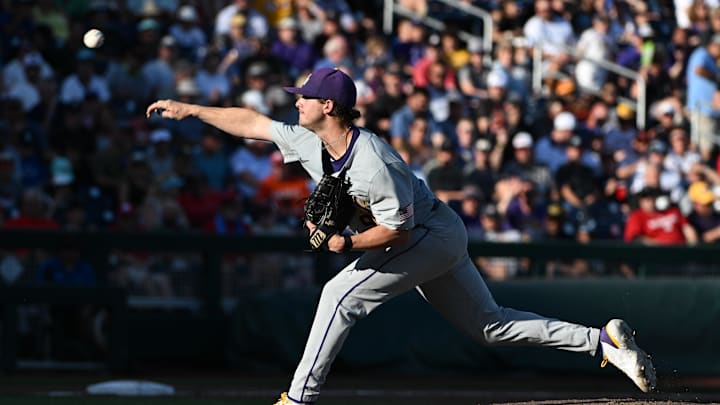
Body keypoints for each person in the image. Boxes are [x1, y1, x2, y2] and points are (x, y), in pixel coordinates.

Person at [146, 67, 657, 404]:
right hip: (433, 232)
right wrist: (193, 111)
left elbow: (396, 229)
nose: (296, 103)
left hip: (423, 233)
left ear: (329, 106)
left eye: (304, 98)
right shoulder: (308, 140)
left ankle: (297, 398)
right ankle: (603, 343)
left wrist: (345, 244)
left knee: (338, 295)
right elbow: (253, 122)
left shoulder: (374, 161)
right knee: (491, 326)